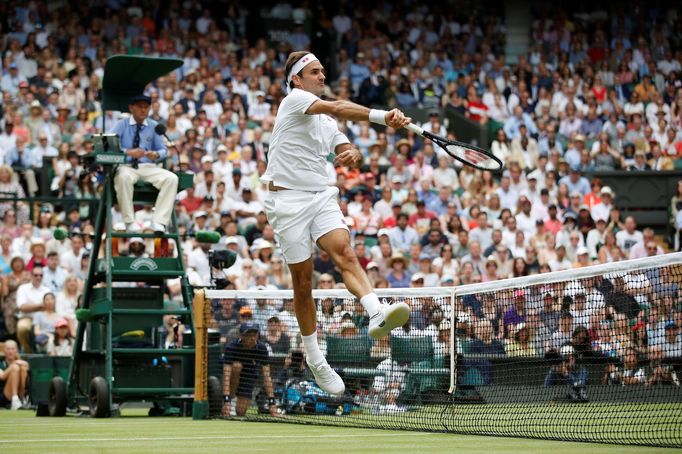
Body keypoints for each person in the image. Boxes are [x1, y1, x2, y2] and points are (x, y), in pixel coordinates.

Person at [260, 51, 410, 395]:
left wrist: (352, 152)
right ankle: (315, 359)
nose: (321, 76)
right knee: (303, 281)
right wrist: (383, 116)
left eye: (323, 71)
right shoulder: (294, 101)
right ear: (297, 80)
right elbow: (340, 106)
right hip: (286, 200)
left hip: (320, 195)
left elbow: (343, 143)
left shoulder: (324, 121)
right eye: (315, 72)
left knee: (344, 251)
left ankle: (375, 311)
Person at [110, 94, 178, 234]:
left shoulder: (154, 126)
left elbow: (163, 150)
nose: (143, 110)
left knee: (172, 178)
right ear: (131, 108)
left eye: (146, 107)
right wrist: (128, 152)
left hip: (148, 167)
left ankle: (159, 222)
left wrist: (156, 154)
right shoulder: (122, 124)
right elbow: (110, 145)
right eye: (140, 107)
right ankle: (129, 221)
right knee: (122, 177)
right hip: (127, 166)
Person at [221, 322, 278, 417]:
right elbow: (226, 375)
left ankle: (235, 403)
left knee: (241, 412)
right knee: (237, 366)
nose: (252, 338)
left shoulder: (262, 349)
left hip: (248, 377)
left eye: (255, 335)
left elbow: (267, 377)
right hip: (232, 376)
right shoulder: (231, 347)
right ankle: (232, 399)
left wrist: (272, 403)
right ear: (241, 336)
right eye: (249, 335)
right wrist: (226, 400)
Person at [0, 340, 29, 410]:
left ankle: (23, 398)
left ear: (16, 351)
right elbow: (2, 376)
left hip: (21, 392)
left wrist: (26, 365)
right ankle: (15, 399)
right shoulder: (1, 363)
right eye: (8, 349)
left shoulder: (21, 362)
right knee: (15, 368)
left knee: (23, 368)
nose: (10, 351)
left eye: (13, 349)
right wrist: (13, 365)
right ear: (4, 351)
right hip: (4, 395)